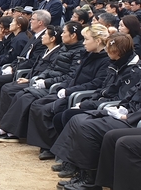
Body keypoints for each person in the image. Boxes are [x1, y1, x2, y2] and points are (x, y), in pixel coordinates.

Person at [27, 24, 111, 160]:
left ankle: (52, 147)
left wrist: (68, 91)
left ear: (98, 41)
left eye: (86, 39)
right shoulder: (88, 55)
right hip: (71, 90)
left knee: (51, 110)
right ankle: (47, 144)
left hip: (80, 96)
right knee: (38, 104)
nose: (83, 43)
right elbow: (75, 76)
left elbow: (96, 84)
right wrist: (63, 87)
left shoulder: (105, 60)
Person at [49, 75, 141, 189]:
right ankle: (80, 170)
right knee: (77, 119)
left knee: (87, 127)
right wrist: (122, 107)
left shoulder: (133, 71)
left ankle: (90, 179)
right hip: (127, 114)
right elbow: (130, 96)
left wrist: (126, 116)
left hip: (133, 121)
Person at [0, 25, 63, 142]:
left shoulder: (57, 53)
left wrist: (32, 80)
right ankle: (5, 126)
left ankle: (11, 132)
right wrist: (27, 78)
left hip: (41, 83)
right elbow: (36, 68)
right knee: (7, 88)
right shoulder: (46, 50)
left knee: (17, 93)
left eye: (46, 35)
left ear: (52, 39)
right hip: (34, 79)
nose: (42, 37)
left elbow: (49, 72)